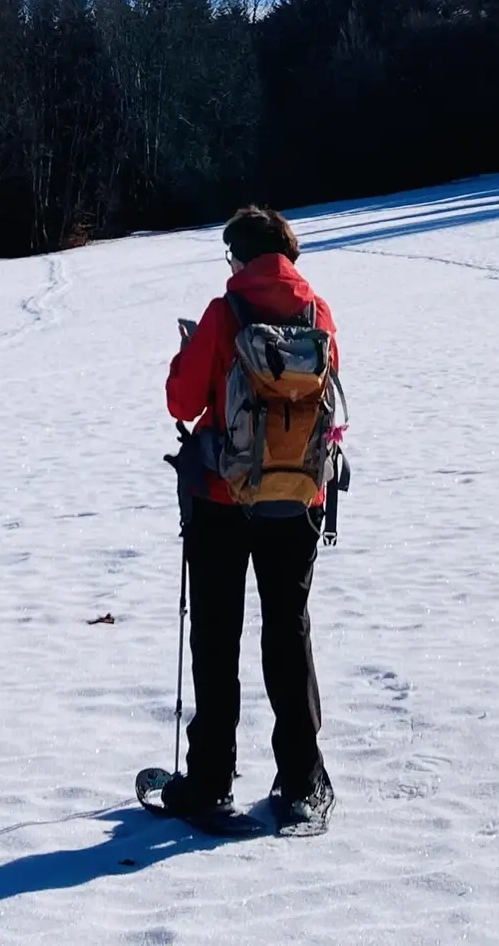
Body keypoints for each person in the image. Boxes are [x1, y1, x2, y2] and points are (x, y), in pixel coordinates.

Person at [162, 205, 338, 833]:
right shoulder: (317, 313)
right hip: (298, 496)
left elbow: (182, 400)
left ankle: (210, 781)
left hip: (222, 494)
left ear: (239, 255)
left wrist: (189, 356)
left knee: (217, 635)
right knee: (288, 632)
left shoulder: (223, 312)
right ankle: (302, 782)